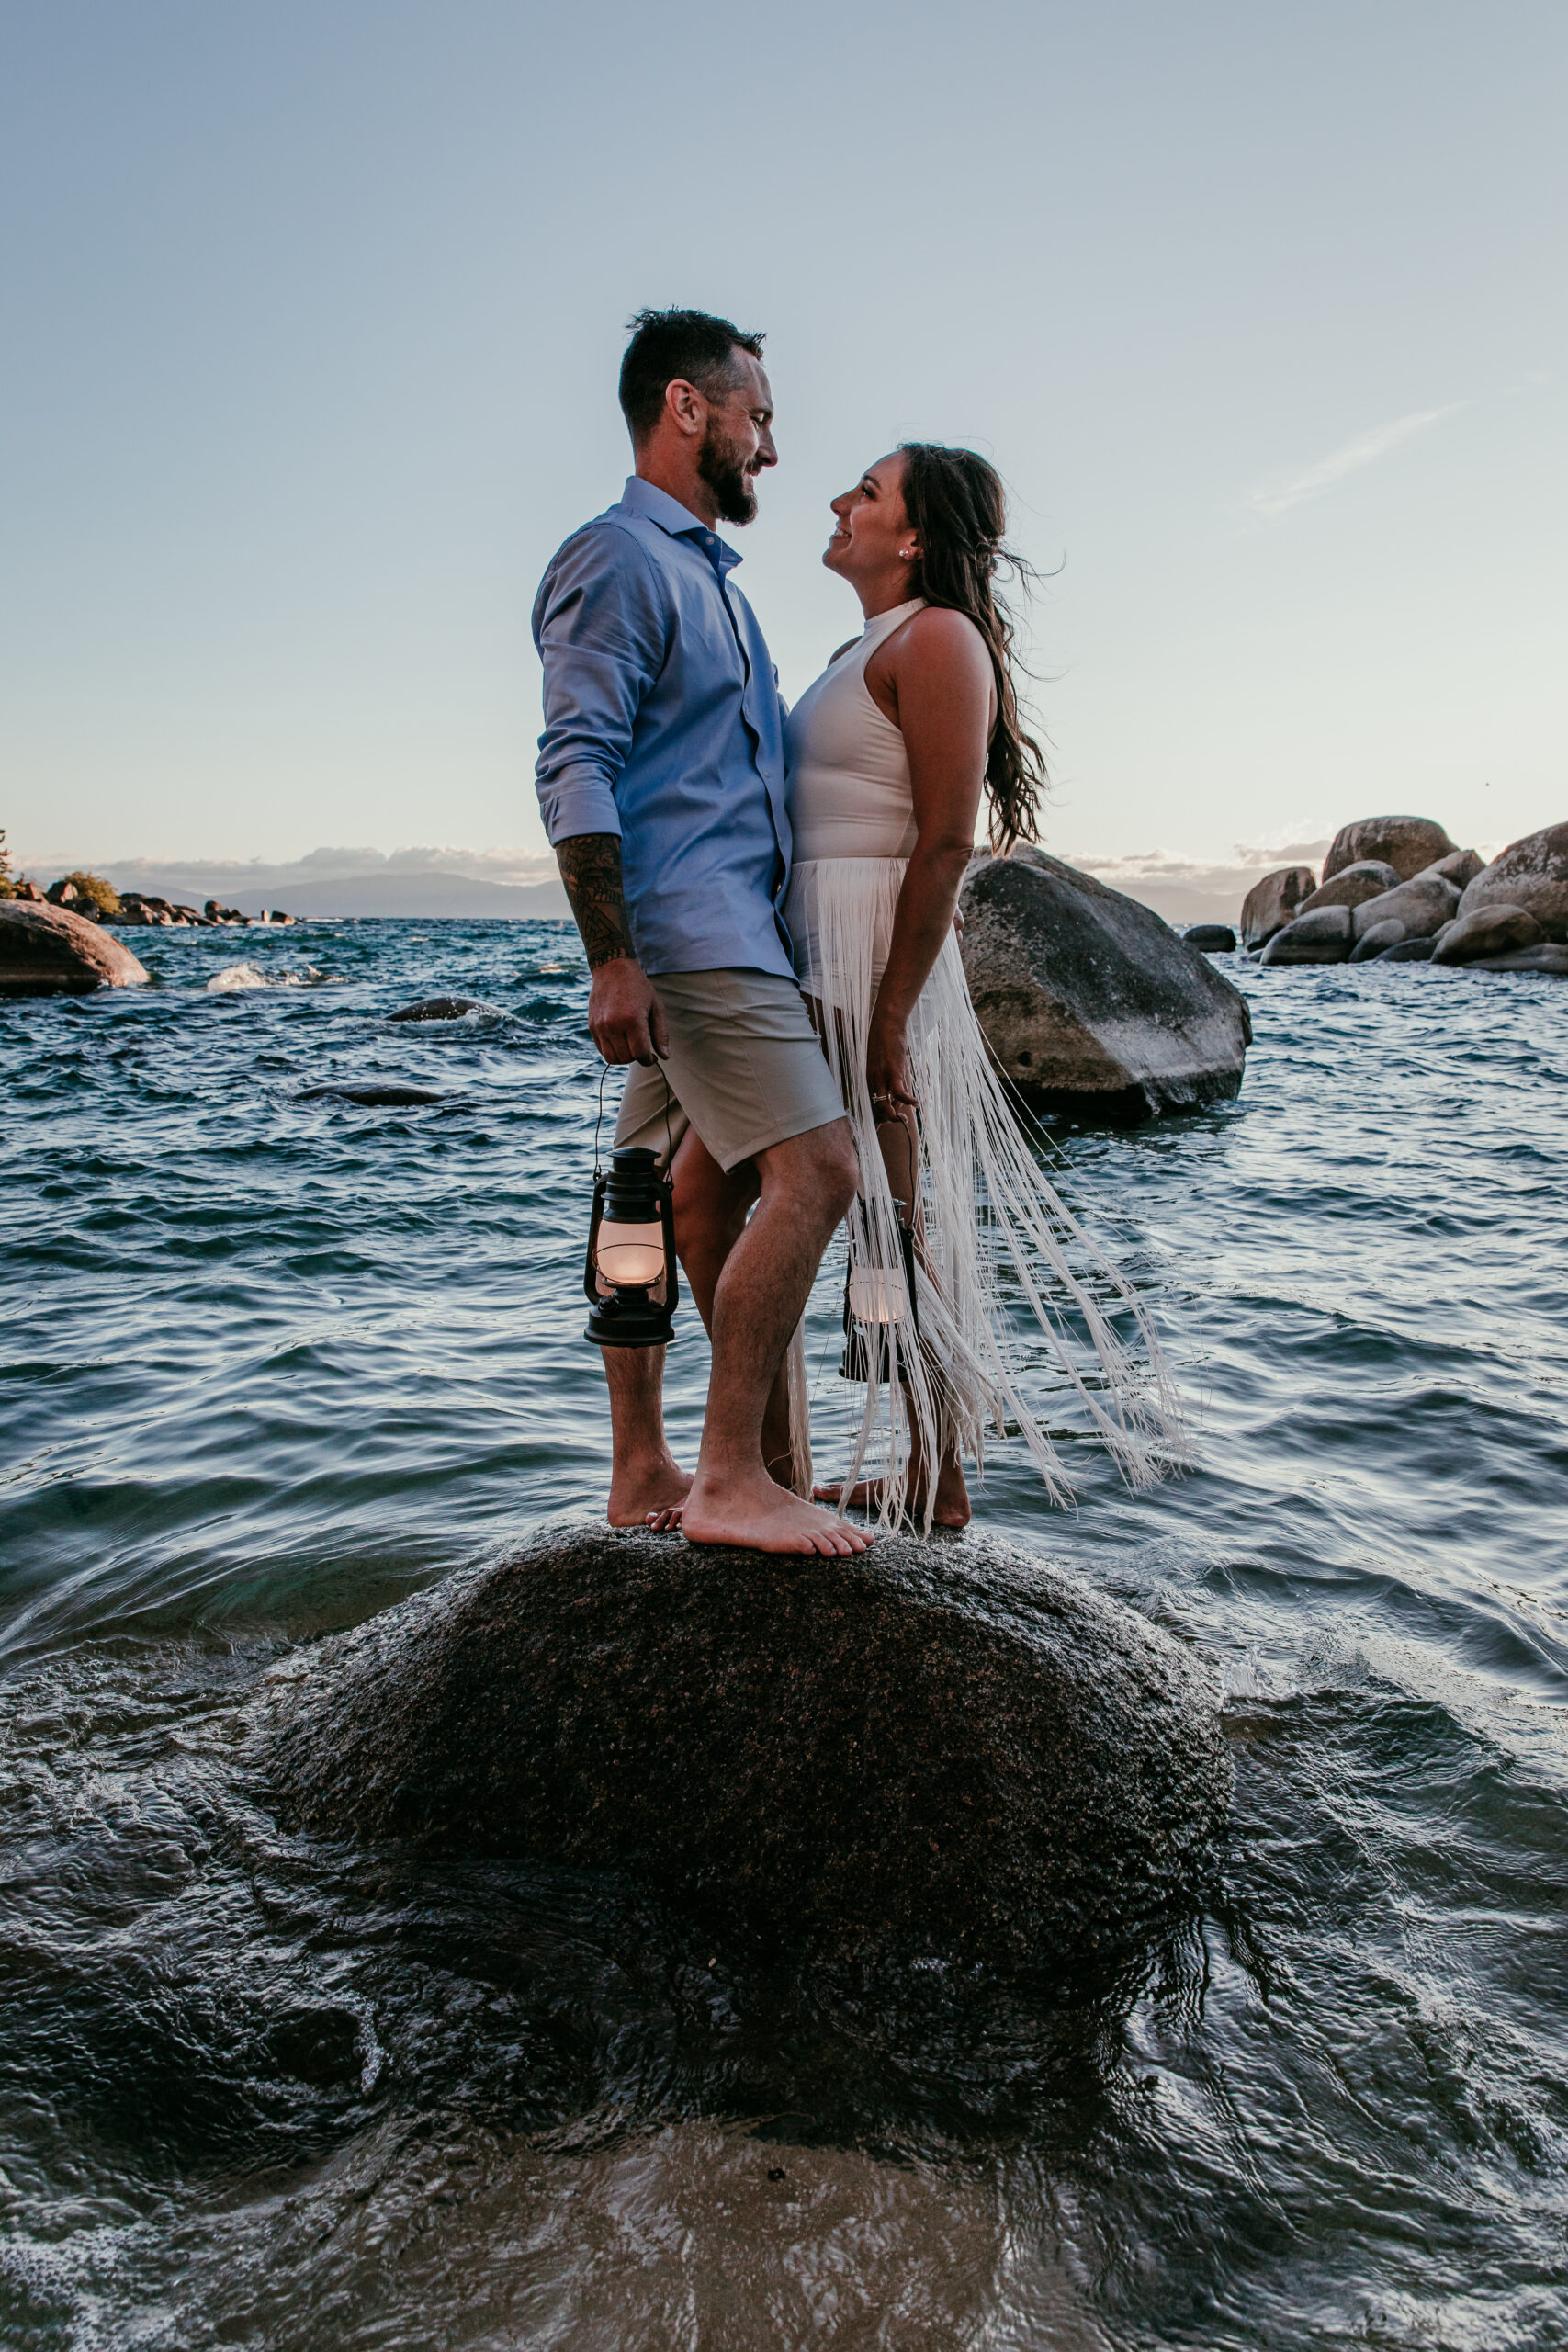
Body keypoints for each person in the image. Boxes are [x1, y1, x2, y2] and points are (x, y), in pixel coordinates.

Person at [675, 443, 1186, 1530]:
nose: (837, 501)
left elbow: (948, 841)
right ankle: (773, 1464)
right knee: (721, 1199)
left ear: (913, 536)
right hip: (803, 946)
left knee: (894, 1227)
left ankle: (938, 1473)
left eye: (866, 491)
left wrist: (892, 1014)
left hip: (873, 957)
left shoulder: (940, 639)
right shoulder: (853, 648)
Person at [532, 308, 870, 1557]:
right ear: (688, 407)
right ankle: (727, 1478)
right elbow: (575, 763)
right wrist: (610, 957)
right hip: (696, 938)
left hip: (718, 936)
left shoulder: (711, 579)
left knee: (641, 1200)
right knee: (819, 1171)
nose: (770, 449)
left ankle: (641, 1469)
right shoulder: (618, 557)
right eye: (759, 418)